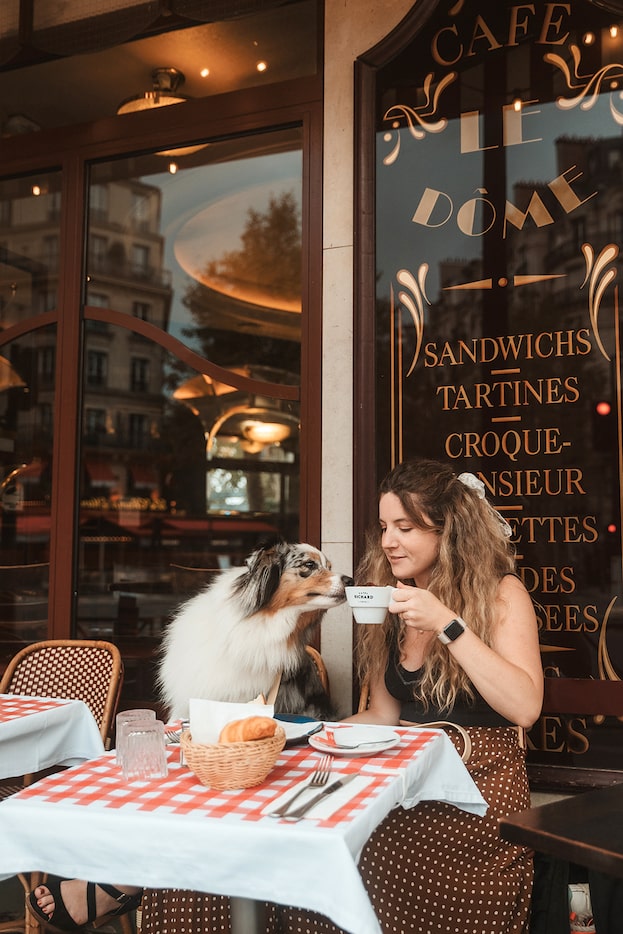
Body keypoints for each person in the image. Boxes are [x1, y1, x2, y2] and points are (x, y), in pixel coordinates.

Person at [268, 457, 543, 934]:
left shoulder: (501, 594)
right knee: (296, 839)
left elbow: (525, 707)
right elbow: (381, 715)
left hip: (477, 790)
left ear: (449, 531)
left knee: (359, 852)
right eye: (383, 527)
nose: (388, 541)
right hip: (403, 777)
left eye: (406, 527)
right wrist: (302, 736)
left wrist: (447, 624)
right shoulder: (390, 601)